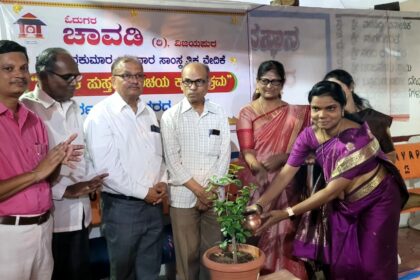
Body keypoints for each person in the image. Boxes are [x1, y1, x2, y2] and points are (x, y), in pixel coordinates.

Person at [249, 81, 408, 279]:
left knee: (372, 264)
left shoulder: (355, 139)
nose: (322, 115)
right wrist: (260, 205)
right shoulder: (309, 134)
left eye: (330, 108)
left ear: (342, 109)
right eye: (316, 109)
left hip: (378, 200)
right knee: (341, 262)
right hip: (345, 202)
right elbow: (286, 173)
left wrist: (286, 212)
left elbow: (331, 191)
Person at [20, 47, 108, 280]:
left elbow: (80, 153)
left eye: (76, 76)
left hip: (81, 215)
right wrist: (65, 190)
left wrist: (90, 179)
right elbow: (27, 170)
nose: (74, 82)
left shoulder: (72, 106)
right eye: (67, 77)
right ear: (42, 75)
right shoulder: (26, 109)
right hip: (50, 220)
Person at [0, 40, 82, 279]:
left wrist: (57, 163)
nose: (19, 74)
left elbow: (45, 178)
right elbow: (37, 174)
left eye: (23, 68)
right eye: (8, 68)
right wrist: (38, 172)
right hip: (8, 234)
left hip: (45, 228)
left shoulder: (33, 119)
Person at [84, 55, 167, 280]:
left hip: (154, 206)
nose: (134, 80)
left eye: (139, 75)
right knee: (123, 273)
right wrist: (145, 193)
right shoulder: (101, 115)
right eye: (127, 75)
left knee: (150, 271)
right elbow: (106, 169)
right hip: (122, 208)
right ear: (112, 80)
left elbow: (158, 155)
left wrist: (162, 182)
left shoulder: (148, 111)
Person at [236, 60, 310, 278]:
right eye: (265, 81)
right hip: (256, 180)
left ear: (282, 83)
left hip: (287, 180)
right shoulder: (247, 112)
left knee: (284, 227)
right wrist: (256, 166)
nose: (269, 85)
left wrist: (284, 157)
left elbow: (305, 149)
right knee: (255, 227)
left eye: (275, 81)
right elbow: (247, 149)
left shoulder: (296, 113)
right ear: (257, 83)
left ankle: (283, 274)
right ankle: (258, 273)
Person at [161, 62, 231, 280]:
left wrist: (210, 191)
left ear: (208, 84)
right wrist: (200, 191)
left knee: (214, 256)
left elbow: (224, 155)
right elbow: (173, 162)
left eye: (199, 81)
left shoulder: (219, 113)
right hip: (183, 198)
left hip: (214, 197)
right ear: (181, 85)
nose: (193, 87)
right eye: (188, 82)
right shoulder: (170, 117)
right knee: (187, 257)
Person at [323, 69, 396, 162]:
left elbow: (390, 155)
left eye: (338, 87)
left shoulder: (375, 119)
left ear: (351, 87)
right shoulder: (326, 122)